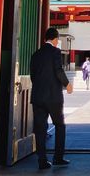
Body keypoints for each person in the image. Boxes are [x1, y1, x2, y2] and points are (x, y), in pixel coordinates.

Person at [30, 27, 73, 170]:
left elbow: (33, 76)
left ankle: (42, 161)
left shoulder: (35, 54)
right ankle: (58, 158)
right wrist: (67, 84)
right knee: (60, 125)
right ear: (55, 39)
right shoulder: (55, 52)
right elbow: (58, 70)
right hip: (53, 97)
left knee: (40, 129)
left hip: (37, 96)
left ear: (44, 39)